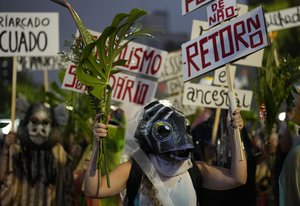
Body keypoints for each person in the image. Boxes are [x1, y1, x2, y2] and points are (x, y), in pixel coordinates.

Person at [83, 100, 246, 205]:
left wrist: (234, 133)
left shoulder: (193, 170)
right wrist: (97, 145)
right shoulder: (135, 169)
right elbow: (95, 190)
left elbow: (237, 178)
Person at [0, 102, 75, 206]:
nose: (39, 129)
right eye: (34, 122)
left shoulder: (58, 152)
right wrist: (5, 148)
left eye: (45, 123)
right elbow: (2, 177)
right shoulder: (16, 149)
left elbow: (67, 186)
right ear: (26, 123)